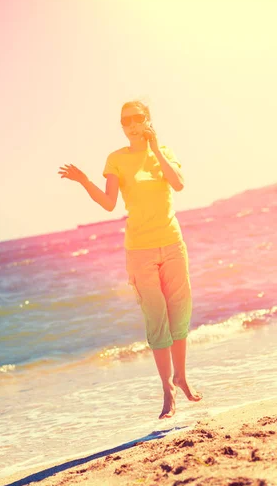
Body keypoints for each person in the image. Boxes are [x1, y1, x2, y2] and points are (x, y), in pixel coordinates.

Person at [59, 100, 202, 419]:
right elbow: (109, 203)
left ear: (148, 119)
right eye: (126, 121)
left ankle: (181, 377)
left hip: (172, 243)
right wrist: (84, 180)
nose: (132, 124)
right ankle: (167, 391)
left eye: (138, 118)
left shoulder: (163, 151)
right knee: (156, 320)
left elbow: (178, 183)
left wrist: (155, 147)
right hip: (139, 250)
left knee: (179, 316)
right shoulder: (117, 159)